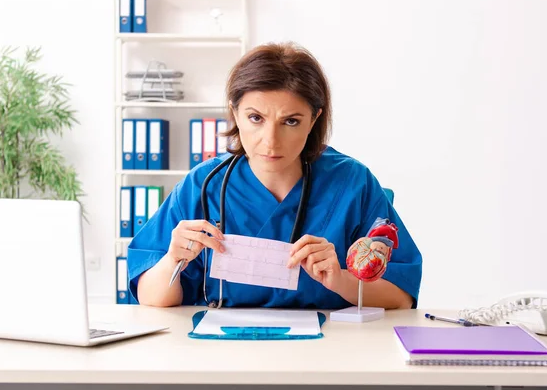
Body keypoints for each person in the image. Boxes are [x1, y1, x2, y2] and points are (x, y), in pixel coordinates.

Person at [127, 41, 423, 310]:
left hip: (330, 352)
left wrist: (340, 280)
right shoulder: (203, 184)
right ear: (235, 112)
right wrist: (172, 260)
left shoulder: (352, 183)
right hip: (223, 351)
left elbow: (401, 295)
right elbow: (150, 297)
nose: (271, 140)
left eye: (291, 121)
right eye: (255, 118)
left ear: (314, 119)